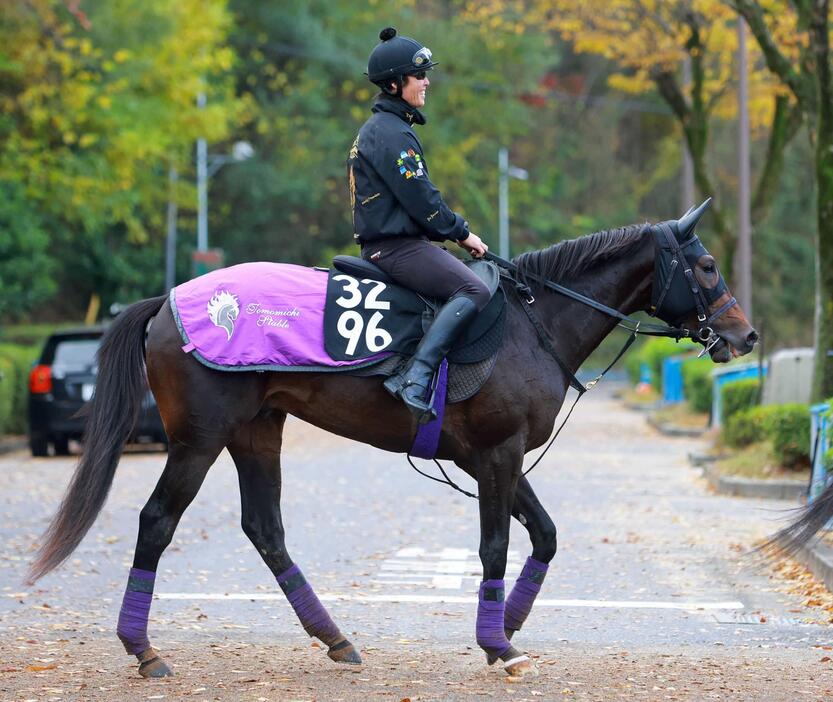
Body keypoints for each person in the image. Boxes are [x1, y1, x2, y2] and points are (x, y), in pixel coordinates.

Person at [348, 27, 490, 424]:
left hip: (397, 244)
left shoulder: (387, 129)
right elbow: (423, 201)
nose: (427, 81)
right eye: (420, 75)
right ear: (396, 84)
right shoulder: (391, 134)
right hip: (395, 249)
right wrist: (462, 232)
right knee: (473, 288)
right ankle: (415, 377)